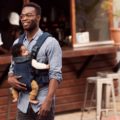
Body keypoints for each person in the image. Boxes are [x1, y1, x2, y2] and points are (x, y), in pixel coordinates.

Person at [8, 2, 62, 120]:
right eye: (22, 16)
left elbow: (55, 75)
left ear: (38, 18)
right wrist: (10, 78)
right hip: (23, 104)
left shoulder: (51, 43)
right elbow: (12, 68)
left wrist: (48, 101)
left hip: (42, 102)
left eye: (29, 15)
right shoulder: (17, 43)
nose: (24, 18)